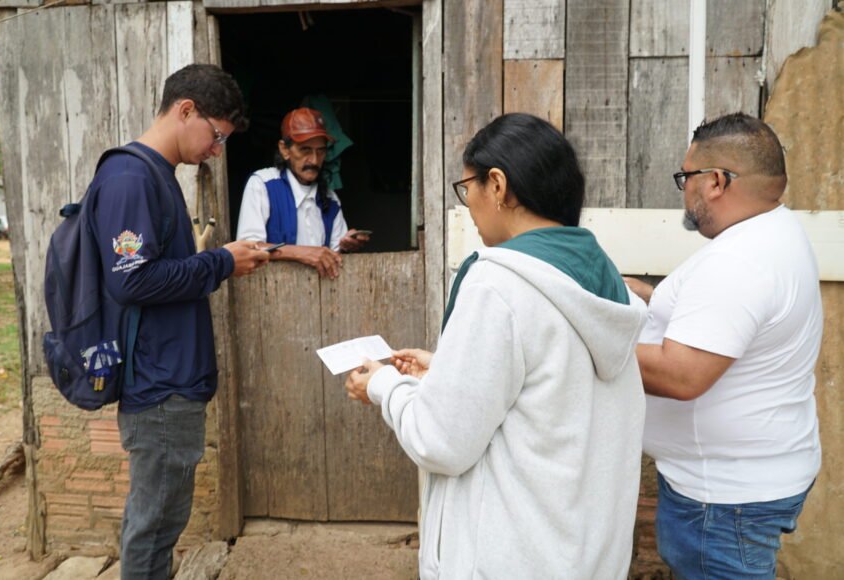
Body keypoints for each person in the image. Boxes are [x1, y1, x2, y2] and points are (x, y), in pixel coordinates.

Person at [344, 113, 647, 579]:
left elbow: (441, 441)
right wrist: (446, 370)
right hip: (582, 556)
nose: (468, 204)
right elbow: (550, 393)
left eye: (468, 188)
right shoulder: (603, 283)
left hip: (508, 558)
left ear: (498, 185)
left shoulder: (498, 283)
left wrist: (385, 384)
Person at [88, 64, 270, 579]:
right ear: (185, 110)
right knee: (154, 526)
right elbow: (132, 281)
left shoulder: (156, 176)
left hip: (172, 382)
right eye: (216, 136)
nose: (216, 150)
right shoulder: (130, 178)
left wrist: (219, 259)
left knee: (159, 521)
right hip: (159, 387)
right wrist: (222, 263)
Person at [625, 113, 822, 579]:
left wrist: (581, 343)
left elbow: (682, 374)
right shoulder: (775, 231)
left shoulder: (740, 262)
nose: (684, 190)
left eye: (685, 177)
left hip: (724, 503)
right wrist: (654, 300)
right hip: (744, 483)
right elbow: (734, 324)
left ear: (715, 181)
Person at [235, 107, 369, 279]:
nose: (314, 160)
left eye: (320, 151)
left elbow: (334, 259)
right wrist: (303, 253)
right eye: (305, 150)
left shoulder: (330, 199)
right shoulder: (263, 184)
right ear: (284, 150)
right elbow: (248, 249)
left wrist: (345, 246)